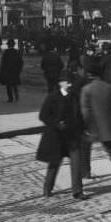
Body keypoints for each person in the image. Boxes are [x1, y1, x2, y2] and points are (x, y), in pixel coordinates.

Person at [36, 68, 87, 200]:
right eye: (67, 83)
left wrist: (83, 130)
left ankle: (77, 191)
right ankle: (47, 188)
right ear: (61, 83)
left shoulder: (75, 97)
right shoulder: (52, 97)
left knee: (76, 163)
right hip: (57, 137)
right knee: (54, 164)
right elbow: (43, 116)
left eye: (71, 83)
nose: (70, 85)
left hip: (72, 137)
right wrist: (56, 124)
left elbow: (80, 116)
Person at [80, 57, 111, 182]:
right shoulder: (109, 87)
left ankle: (86, 172)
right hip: (108, 124)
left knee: (85, 148)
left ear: (89, 74)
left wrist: (84, 126)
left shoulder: (86, 89)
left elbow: (85, 111)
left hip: (92, 126)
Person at [0, 38, 24, 102]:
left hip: (8, 71)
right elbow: (20, 62)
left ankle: (10, 98)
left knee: (8, 85)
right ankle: (16, 95)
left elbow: (3, 63)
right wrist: (19, 70)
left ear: (8, 45)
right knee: (15, 84)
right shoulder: (16, 52)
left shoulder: (6, 52)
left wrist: (2, 72)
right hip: (15, 71)